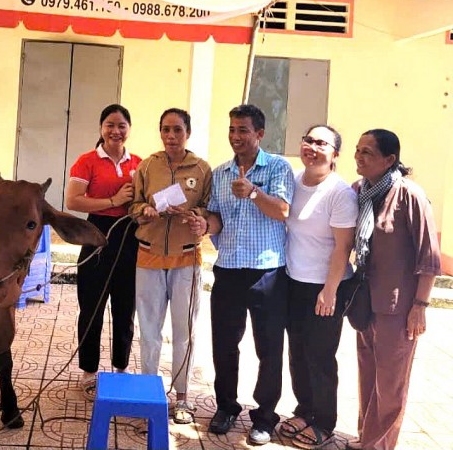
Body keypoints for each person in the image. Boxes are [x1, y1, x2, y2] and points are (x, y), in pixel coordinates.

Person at [188, 104, 295, 445]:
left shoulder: (278, 167)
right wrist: (206, 224)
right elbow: (218, 218)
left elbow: (281, 211)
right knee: (224, 344)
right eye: (232, 129)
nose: (236, 136)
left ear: (260, 134)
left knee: (268, 348)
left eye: (243, 130)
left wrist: (252, 192)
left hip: (267, 272)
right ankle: (226, 406)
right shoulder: (220, 173)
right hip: (229, 270)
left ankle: (264, 417)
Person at [347, 129, 441, 450]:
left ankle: (379, 445)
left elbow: (429, 257)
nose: (358, 157)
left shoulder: (410, 196)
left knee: (390, 384)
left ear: (389, 160)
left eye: (367, 152)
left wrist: (420, 306)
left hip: (398, 308)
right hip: (365, 303)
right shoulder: (359, 191)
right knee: (368, 376)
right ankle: (367, 437)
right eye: (357, 150)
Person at [128, 108, 211, 425]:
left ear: (187, 132)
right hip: (148, 256)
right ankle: (149, 393)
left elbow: (208, 208)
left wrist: (196, 217)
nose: (171, 136)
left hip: (186, 258)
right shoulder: (147, 166)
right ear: (159, 132)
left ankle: (183, 398)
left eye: (177, 130)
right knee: (149, 330)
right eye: (165, 130)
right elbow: (134, 205)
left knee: (184, 331)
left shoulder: (201, 169)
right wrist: (145, 209)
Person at [278, 125, 358, 449]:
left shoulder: (340, 193)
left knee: (321, 357)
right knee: (297, 353)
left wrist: (330, 290)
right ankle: (304, 409)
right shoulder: (294, 181)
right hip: (293, 282)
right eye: (308, 139)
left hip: (325, 287)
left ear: (335, 154)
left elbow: (342, 248)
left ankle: (324, 422)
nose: (312, 147)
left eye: (322, 143)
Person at [65, 104, 142, 401]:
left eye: (122, 125)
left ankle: (121, 369)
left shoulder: (139, 162)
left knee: (125, 311)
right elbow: (73, 200)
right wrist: (112, 199)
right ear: (101, 128)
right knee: (92, 309)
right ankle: (89, 373)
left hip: (129, 239)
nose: (116, 131)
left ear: (129, 129)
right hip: (95, 236)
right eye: (110, 124)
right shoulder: (87, 161)